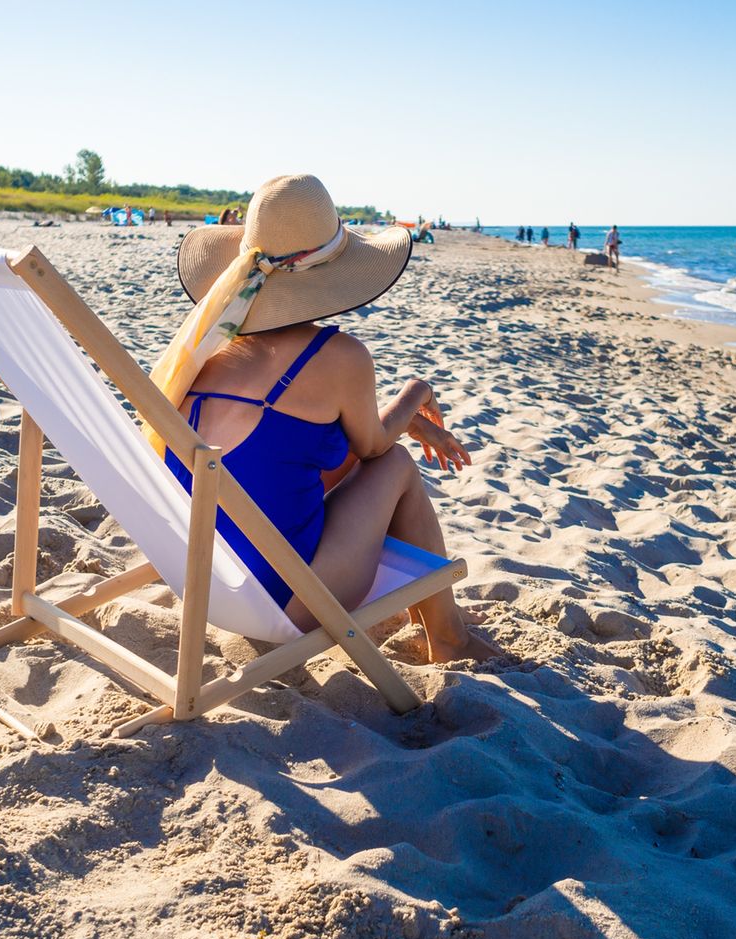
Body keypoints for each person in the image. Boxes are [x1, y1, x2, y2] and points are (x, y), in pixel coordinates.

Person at [148, 174, 495, 662]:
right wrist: (416, 393)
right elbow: (375, 447)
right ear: (332, 273)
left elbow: (289, 449)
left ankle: (431, 614)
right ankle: (448, 635)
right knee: (394, 465)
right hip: (284, 600)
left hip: (203, 581)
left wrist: (408, 422)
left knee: (326, 456)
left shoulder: (203, 354)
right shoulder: (338, 356)